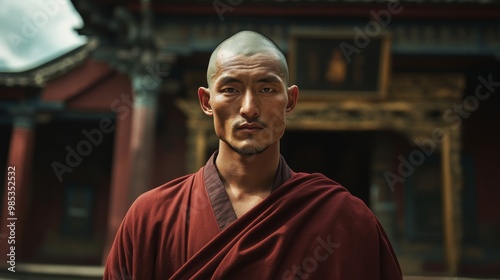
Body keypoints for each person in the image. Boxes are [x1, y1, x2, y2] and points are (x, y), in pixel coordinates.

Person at [104, 30, 402, 280]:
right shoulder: (151, 218)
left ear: (290, 100)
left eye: (267, 88)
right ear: (206, 102)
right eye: (231, 89)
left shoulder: (344, 218)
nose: (249, 108)